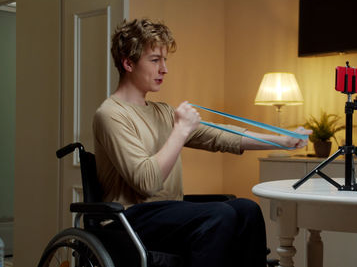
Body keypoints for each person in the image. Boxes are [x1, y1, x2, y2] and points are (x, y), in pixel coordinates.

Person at [93, 18, 310, 267]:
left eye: (165, 60)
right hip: (127, 220)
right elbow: (147, 182)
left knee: (247, 210)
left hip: (167, 214)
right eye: (155, 60)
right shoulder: (110, 114)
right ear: (128, 63)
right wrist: (180, 130)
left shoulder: (162, 111)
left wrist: (283, 140)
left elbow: (219, 136)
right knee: (220, 215)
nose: (164, 69)